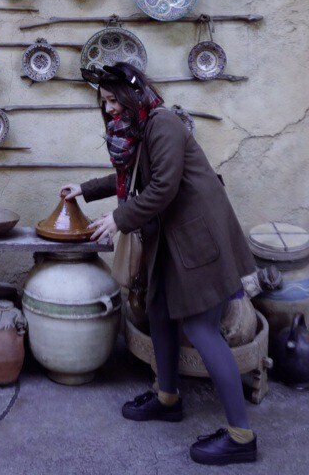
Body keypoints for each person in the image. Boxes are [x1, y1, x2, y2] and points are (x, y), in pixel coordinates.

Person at [61, 62, 257, 466]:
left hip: (199, 240)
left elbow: (163, 186)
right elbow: (134, 176)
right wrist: (86, 189)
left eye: (113, 100)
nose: (109, 109)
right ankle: (167, 398)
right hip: (172, 239)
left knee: (201, 329)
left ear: (133, 95)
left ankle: (242, 437)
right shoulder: (141, 129)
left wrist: (119, 219)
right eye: (104, 103)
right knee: (160, 311)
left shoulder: (163, 124)